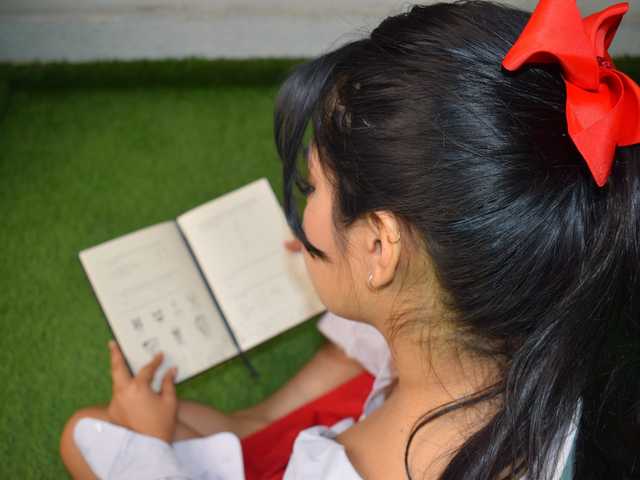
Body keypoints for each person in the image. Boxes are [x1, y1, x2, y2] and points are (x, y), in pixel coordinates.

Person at [59, 0, 640, 478]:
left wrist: (150, 452)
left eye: (312, 189)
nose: (303, 219)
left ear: (380, 247)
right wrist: (346, 255)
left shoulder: (335, 466)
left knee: (89, 434)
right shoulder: (567, 340)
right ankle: (248, 424)